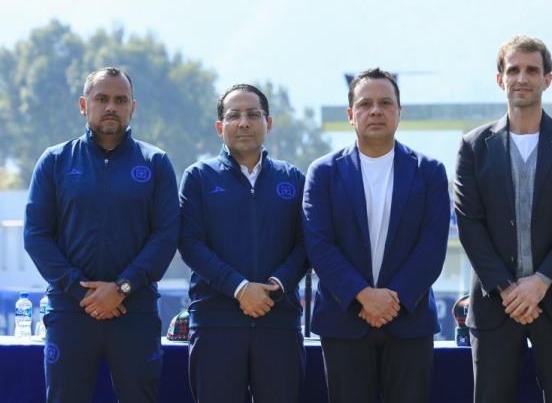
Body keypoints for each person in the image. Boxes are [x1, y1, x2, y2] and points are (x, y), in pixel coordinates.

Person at [454, 36, 552, 403]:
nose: (522, 77)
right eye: (513, 70)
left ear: (547, 79)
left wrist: (541, 282)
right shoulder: (473, 146)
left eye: (531, 70)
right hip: (494, 305)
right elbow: (469, 223)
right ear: (500, 79)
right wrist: (506, 287)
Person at [24, 67, 180, 403]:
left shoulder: (156, 163)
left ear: (132, 108)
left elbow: (166, 236)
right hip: (70, 312)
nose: (111, 106)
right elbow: (36, 235)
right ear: (84, 104)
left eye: (120, 100)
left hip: (134, 311)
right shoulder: (54, 161)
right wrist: (79, 290)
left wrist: (123, 287)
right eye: (102, 99)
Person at [303, 68, 450, 403]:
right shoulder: (323, 172)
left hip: (409, 321)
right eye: (365, 103)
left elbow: (431, 247)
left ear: (399, 111)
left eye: (385, 102)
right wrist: (362, 295)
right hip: (344, 321)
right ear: (350, 115)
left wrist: (392, 297)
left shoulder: (429, 172)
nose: (376, 110)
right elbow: (319, 243)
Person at [178, 84, 308, 403]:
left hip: (278, 321)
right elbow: (190, 243)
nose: (244, 122)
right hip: (216, 324)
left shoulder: (292, 178)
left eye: (253, 114)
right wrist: (239, 287)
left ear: (269, 123)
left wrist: (276, 285)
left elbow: (307, 244)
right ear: (220, 127)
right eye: (234, 116)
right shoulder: (198, 177)